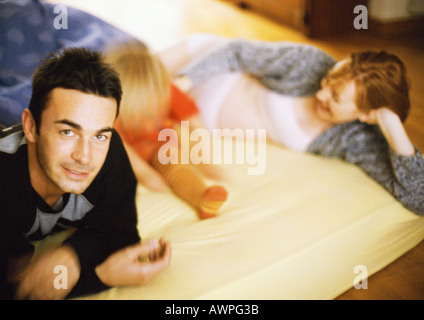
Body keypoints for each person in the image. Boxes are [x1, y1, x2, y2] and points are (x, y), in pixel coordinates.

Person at [166, 35, 424, 216]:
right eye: (327, 81)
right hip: (197, 67)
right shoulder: (310, 62)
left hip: (193, 119)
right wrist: (182, 85)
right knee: (129, 74)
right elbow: (235, 51)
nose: (321, 95)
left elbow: (419, 199)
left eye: (335, 98)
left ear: (366, 115)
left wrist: (392, 127)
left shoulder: (354, 139)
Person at [0, 47, 171, 300]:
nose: (85, 157)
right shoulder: (6, 182)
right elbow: (18, 290)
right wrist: (102, 277)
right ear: (31, 126)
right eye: (68, 132)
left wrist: (73, 255)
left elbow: (120, 233)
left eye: (100, 134)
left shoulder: (109, 152)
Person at [105, 42, 228, 219]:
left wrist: (204, 160)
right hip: (125, 155)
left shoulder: (169, 91)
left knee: (176, 165)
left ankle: (201, 198)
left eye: (152, 115)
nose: (147, 124)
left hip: (161, 145)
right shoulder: (109, 106)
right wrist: (145, 174)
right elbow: (119, 145)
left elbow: (193, 122)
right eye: (137, 117)